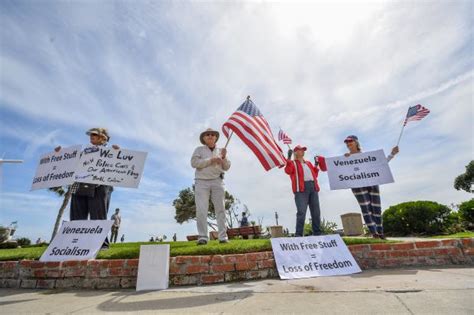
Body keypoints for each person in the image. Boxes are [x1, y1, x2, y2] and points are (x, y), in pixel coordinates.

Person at [54, 127, 120, 249]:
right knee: (77, 216)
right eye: (90, 134)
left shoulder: (110, 151)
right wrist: (60, 154)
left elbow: (120, 163)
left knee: (98, 216)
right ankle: (74, 245)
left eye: (94, 134)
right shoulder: (84, 152)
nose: (91, 136)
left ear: (103, 138)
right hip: (79, 185)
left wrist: (118, 153)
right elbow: (68, 160)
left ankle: (101, 244)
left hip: (99, 186)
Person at [340, 135, 399, 239]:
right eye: (347, 142)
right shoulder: (346, 158)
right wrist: (344, 159)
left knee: (376, 208)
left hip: (372, 183)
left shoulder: (366, 156)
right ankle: (374, 233)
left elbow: (381, 164)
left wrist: (392, 154)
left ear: (356, 142)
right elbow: (341, 172)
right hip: (357, 186)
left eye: (350, 141)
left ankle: (381, 233)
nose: (348, 143)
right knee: (366, 209)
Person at [191, 128, 231, 245]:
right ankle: (203, 237)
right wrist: (211, 160)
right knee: (202, 210)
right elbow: (194, 163)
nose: (210, 136)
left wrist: (223, 158)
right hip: (201, 182)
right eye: (207, 134)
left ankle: (223, 237)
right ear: (204, 138)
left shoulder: (221, 151)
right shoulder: (199, 150)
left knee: (221, 209)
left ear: (215, 137)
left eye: (212, 134)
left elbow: (227, 167)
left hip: (217, 181)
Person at [285, 145, 327, 237]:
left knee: (316, 212)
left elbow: (314, 175)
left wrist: (315, 165)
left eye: (303, 150)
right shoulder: (293, 163)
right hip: (301, 189)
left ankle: (317, 233)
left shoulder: (308, 163)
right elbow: (288, 171)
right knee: (301, 212)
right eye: (301, 150)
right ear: (295, 152)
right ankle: (299, 235)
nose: (303, 151)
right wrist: (288, 158)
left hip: (313, 187)